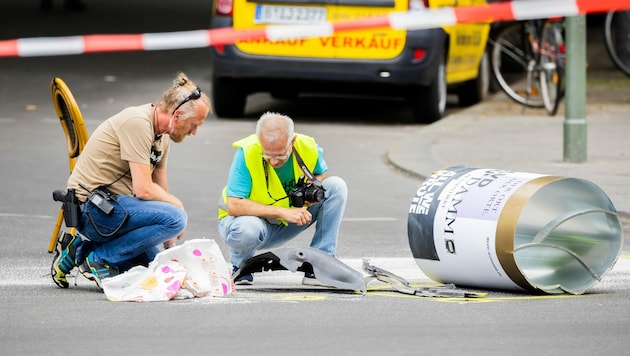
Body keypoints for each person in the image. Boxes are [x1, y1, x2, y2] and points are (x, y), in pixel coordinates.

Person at [51, 72, 211, 290]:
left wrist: (171, 248)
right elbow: (144, 190)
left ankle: (78, 251)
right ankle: (100, 259)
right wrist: (177, 208)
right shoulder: (137, 122)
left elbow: (160, 192)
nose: (194, 132)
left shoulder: (163, 135)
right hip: (92, 210)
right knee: (177, 218)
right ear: (178, 115)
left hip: (114, 211)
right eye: (194, 124)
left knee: (154, 269)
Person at [217, 112, 348, 285]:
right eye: (267, 155)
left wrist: (310, 191)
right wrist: (284, 212)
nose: (273, 161)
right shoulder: (247, 151)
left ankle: (320, 266)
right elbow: (234, 205)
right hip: (252, 225)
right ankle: (240, 267)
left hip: (287, 222)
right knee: (247, 229)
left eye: (279, 155)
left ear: (292, 142)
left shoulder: (307, 146)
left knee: (336, 186)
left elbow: (320, 173)